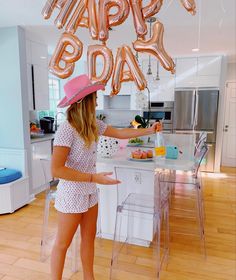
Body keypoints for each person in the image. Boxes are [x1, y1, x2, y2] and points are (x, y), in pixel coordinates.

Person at [51, 74, 160, 280]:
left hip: (90, 193)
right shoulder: (66, 130)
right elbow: (56, 170)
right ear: (85, 101)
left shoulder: (93, 125)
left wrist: (150, 130)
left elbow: (120, 133)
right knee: (62, 244)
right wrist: (94, 179)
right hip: (72, 194)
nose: (98, 100)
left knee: (89, 239)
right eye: (94, 96)